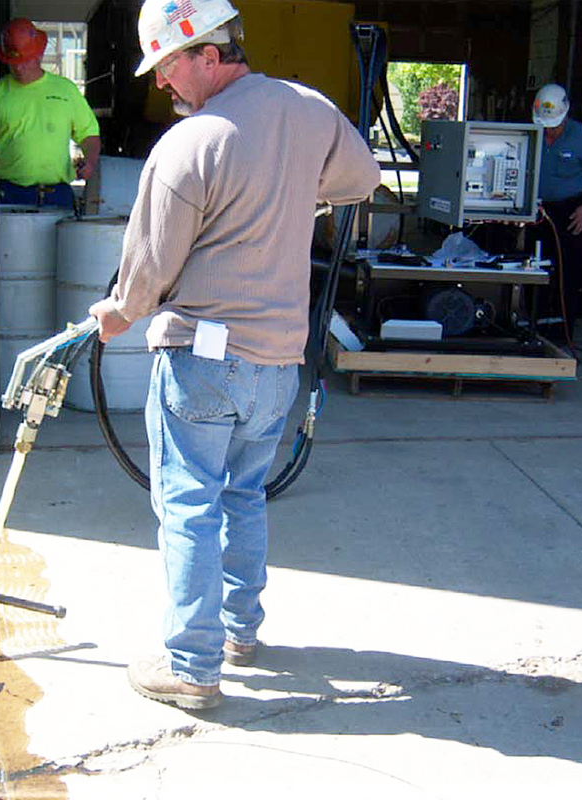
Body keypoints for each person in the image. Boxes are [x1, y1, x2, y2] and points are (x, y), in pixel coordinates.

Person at [89, 0, 380, 710]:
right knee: (244, 493)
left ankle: (192, 667)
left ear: (209, 56)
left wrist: (115, 315)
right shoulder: (308, 110)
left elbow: (149, 271)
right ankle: (239, 629)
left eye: (167, 65)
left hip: (204, 362)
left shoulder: (188, 146)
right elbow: (363, 178)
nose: (161, 83)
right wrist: (289, 188)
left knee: (189, 503)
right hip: (279, 362)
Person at [0, 18, 101, 208]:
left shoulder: (66, 91)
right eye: (13, 62)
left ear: (39, 55)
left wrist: (90, 162)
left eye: (24, 61)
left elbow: (89, 134)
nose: (18, 68)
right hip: (6, 194)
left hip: (57, 195)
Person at [529, 83, 582, 339]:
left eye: (554, 125)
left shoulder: (581, 136)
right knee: (534, 268)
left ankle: (562, 332)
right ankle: (533, 328)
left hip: (573, 212)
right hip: (538, 210)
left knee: (568, 273)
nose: (549, 131)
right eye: (545, 125)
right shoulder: (532, 133)